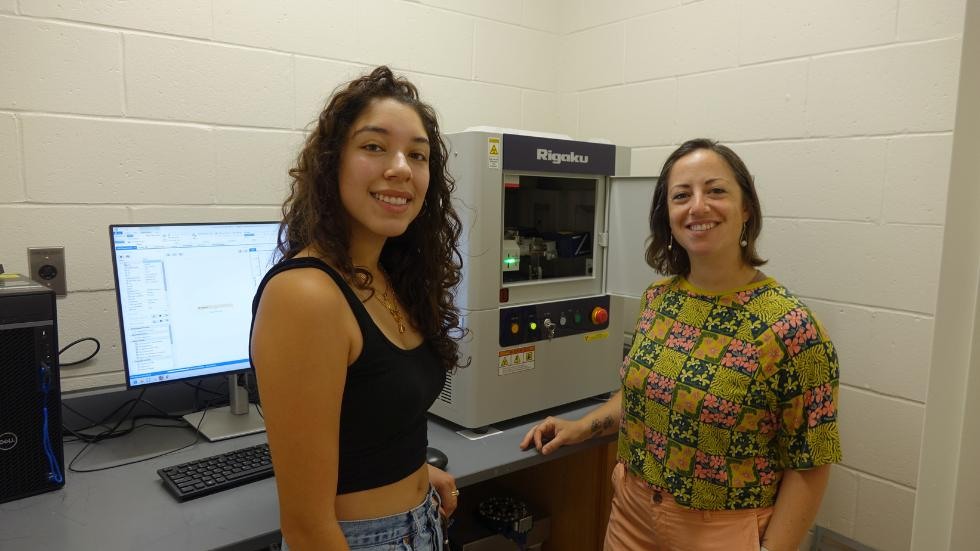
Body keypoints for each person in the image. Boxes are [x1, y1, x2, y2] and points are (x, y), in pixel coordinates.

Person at [520, 138, 841, 551]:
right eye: (682, 196)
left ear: (746, 208)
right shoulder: (659, 299)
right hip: (632, 515)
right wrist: (584, 426)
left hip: (720, 530)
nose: (698, 207)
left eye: (716, 191)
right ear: (667, 216)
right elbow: (646, 393)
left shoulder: (790, 327)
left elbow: (811, 460)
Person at [250, 66, 466, 550]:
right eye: (374, 146)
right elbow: (306, 527)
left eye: (418, 154)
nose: (401, 168)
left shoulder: (389, 276)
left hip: (420, 522)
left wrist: (415, 472)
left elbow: (371, 423)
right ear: (332, 164)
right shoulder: (306, 295)